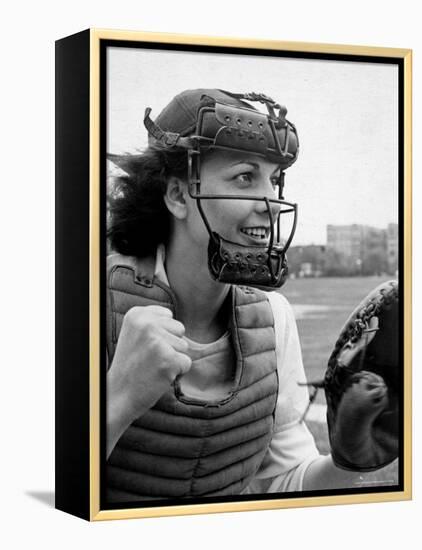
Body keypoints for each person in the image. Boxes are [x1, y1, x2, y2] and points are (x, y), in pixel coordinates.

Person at [105, 89, 390, 503]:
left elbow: (281, 483)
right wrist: (120, 395)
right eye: (245, 177)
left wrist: (350, 458)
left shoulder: (273, 317)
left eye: (273, 180)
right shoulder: (88, 307)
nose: (272, 203)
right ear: (178, 195)